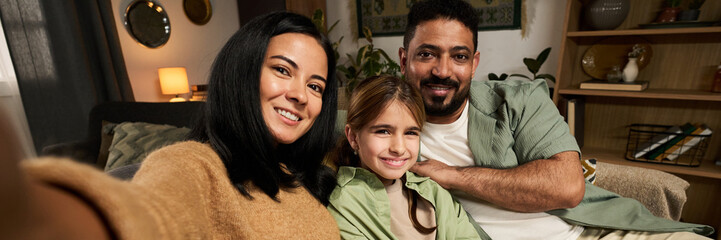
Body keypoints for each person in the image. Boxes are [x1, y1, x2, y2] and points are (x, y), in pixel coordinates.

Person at [0, 12, 341, 239]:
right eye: (282, 70)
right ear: (242, 73)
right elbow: (148, 214)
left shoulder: (299, 175)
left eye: (315, 86)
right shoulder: (194, 165)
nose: (300, 95)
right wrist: (33, 209)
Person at [397, 0, 713, 239]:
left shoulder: (519, 100)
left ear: (474, 63)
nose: (443, 70)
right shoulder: (376, 124)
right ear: (403, 60)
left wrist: (451, 175)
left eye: (459, 56)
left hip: (592, 233)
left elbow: (566, 186)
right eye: (426, 54)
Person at [326, 75, 487, 240]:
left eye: (410, 132)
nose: (399, 148)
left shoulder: (434, 193)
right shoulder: (344, 203)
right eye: (383, 131)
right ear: (353, 137)